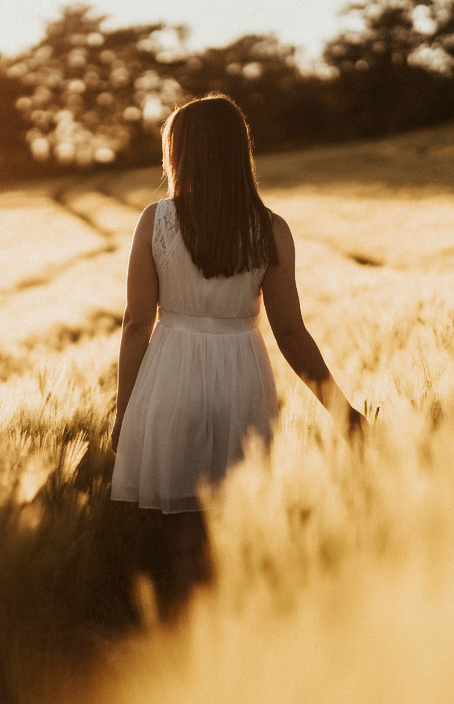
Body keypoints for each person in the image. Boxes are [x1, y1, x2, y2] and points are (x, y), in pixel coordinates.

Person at [109, 93, 365, 609]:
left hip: (170, 381)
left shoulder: (155, 222)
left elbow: (138, 322)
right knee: (234, 531)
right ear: (237, 152)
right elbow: (290, 333)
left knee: (181, 541)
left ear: (179, 154)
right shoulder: (271, 228)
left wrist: (125, 410)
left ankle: (181, 648)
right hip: (241, 382)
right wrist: (341, 409)